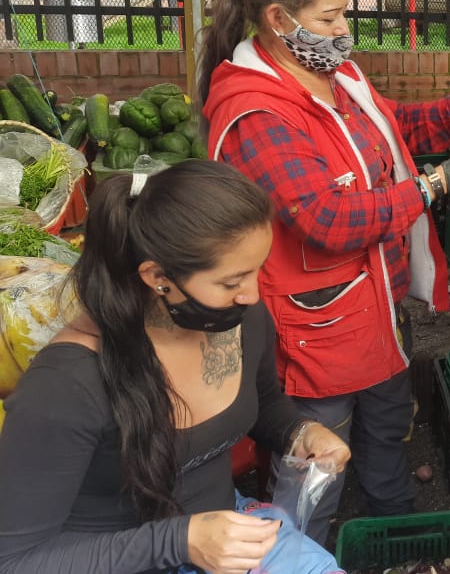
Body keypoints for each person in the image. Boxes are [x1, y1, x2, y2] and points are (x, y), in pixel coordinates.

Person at [198, 0, 450, 543]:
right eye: (329, 17)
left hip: (376, 301)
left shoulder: (337, 76)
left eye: (343, 13)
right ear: (278, 18)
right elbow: (325, 218)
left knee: (385, 424)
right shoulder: (255, 111)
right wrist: (434, 185)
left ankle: (395, 526)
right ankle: (298, 551)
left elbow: (394, 129)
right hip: (316, 323)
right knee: (316, 460)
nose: (343, 29)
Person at [0, 159, 352, 574]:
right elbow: (16, 560)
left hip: (224, 534)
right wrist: (181, 541)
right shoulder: (66, 386)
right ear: (157, 277)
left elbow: (264, 404)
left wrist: (299, 432)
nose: (253, 295)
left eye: (258, 270)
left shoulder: (241, 321)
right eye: (231, 282)